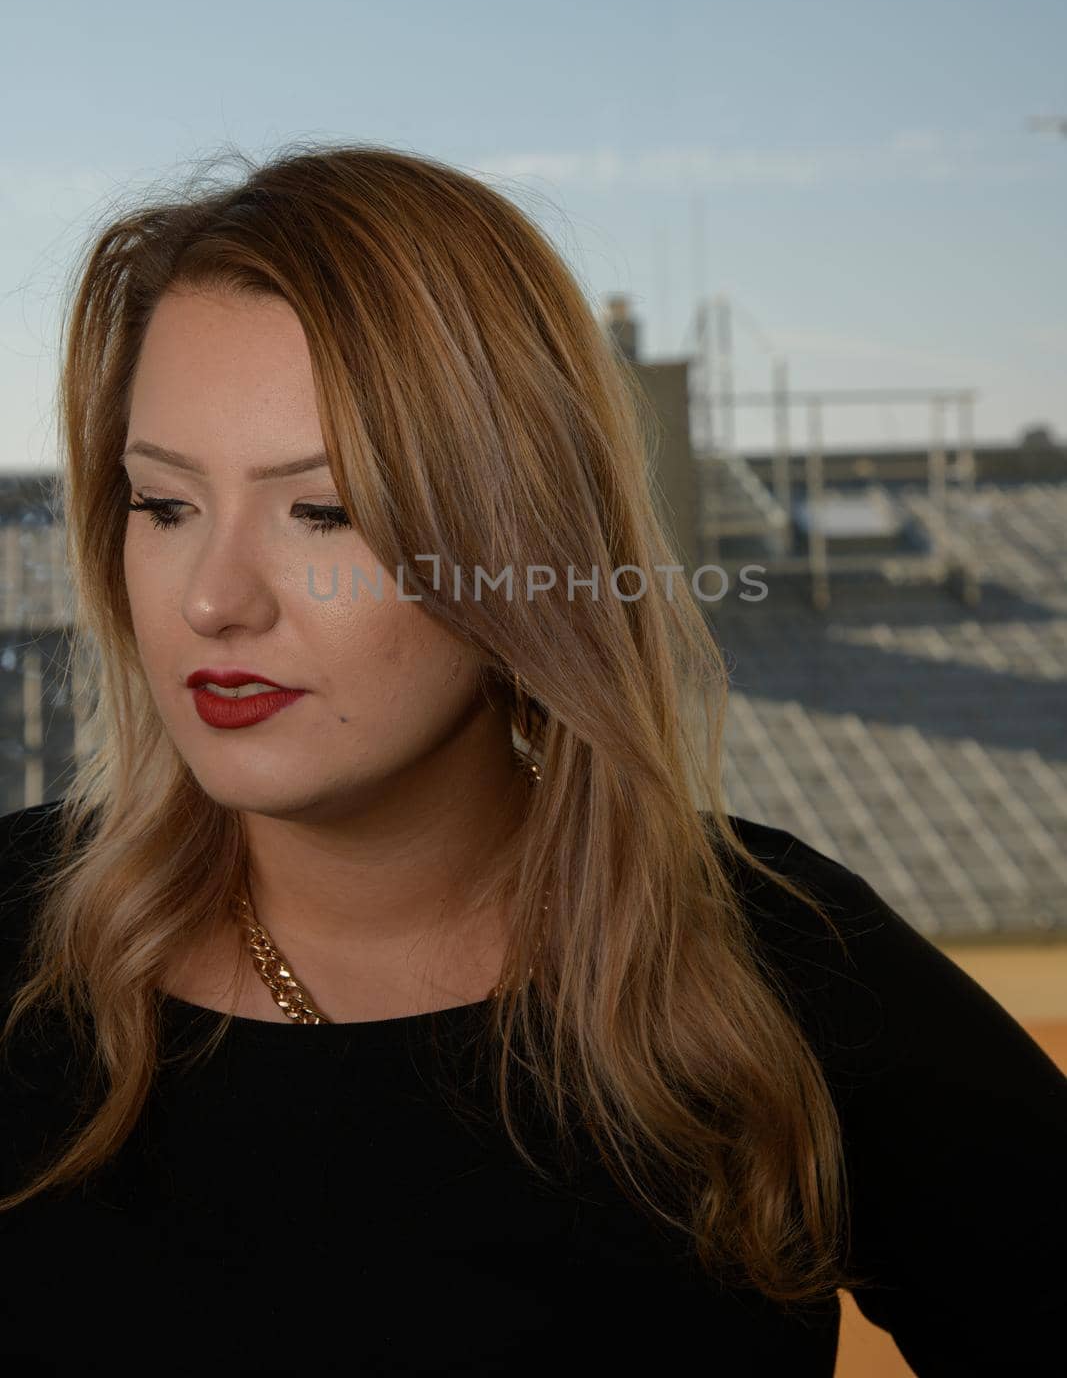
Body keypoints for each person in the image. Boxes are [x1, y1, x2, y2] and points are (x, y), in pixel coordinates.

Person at [0, 143, 1064, 1376]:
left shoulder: (783, 973)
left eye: (326, 510)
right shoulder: (15, 931)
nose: (212, 601)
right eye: (163, 505)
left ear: (515, 538)